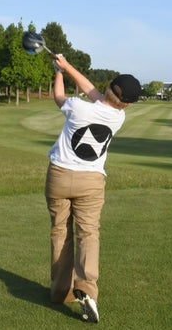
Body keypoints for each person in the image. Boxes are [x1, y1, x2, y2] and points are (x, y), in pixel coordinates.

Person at [45, 54, 141, 323]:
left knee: (60, 232)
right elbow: (95, 93)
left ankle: (60, 292)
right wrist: (65, 66)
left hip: (59, 176)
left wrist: (60, 72)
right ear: (127, 104)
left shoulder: (77, 107)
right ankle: (86, 289)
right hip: (92, 182)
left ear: (108, 88)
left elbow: (60, 97)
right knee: (88, 234)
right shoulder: (117, 118)